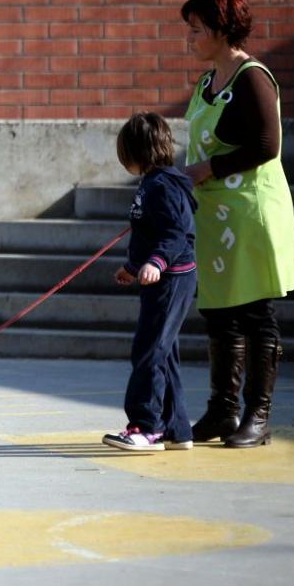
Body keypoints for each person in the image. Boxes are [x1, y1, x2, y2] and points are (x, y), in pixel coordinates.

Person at [179, 0, 294, 448]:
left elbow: (268, 146)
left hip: (250, 214)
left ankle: (258, 415)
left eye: (196, 28)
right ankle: (222, 412)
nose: (189, 37)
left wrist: (206, 169)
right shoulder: (206, 82)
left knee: (254, 313)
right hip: (214, 217)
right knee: (219, 314)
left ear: (222, 30)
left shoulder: (252, 78)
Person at [102, 113, 198, 452]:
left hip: (171, 280)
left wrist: (157, 263)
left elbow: (176, 233)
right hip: (159, 279)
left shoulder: (164, 186)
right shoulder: (152, 183)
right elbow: (147, 234)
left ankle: (147, 426)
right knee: (164, 352)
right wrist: (133, 266)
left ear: (134, 152)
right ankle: (177, 429)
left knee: (149, 350)